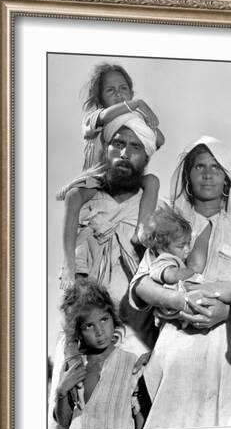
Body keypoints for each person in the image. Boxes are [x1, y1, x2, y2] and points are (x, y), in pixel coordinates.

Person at [130, 136, 231, 429]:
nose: (208, 174)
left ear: (227, 179)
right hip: (177, 358)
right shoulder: (168, 226)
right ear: (187, 176)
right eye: (199, 167)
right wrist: (179, 301)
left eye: (216, 167)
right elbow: (141, 285)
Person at [48, 113, 159, 429]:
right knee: (70, 408)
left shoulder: (150, 197)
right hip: (84, 321)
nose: (125, 152)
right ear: (105, 149)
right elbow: (72, 278)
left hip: (133, 322)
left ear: (146, 157)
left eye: (135, 147)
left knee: (140, 414)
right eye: (118, 144)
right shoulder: (84, 198)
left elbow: (146, 245)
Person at [57, 64, 165, 289]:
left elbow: (159, 140)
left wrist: (145, 119)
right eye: (110, 90)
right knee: (74, 197)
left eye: (123, 88)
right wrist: (135, 105)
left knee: (152, 181)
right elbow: (103, 118)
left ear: (131, 91)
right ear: (100, 98)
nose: (118, 94)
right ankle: (69, 262)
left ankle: (141, 231)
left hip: (124, 174)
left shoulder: (134, 120)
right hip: (97, 177)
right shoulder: (96, 117)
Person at [138, 204, 231, 353]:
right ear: (162, 246)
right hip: (189, 291)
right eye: (182, 246)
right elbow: (169, 275)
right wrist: (191, 271)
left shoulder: (169, 257)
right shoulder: (163, 259)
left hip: (189, 295)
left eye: (188, 244)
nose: (187, 250)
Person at [54, 279, 145, 429]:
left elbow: (140, 418)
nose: (100, 331)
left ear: (113, 318)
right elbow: (64, 421)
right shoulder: (74, 366)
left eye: (104, 320)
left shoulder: (131, 363)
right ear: (79, 332)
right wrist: (61, 392)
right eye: (89, 326)